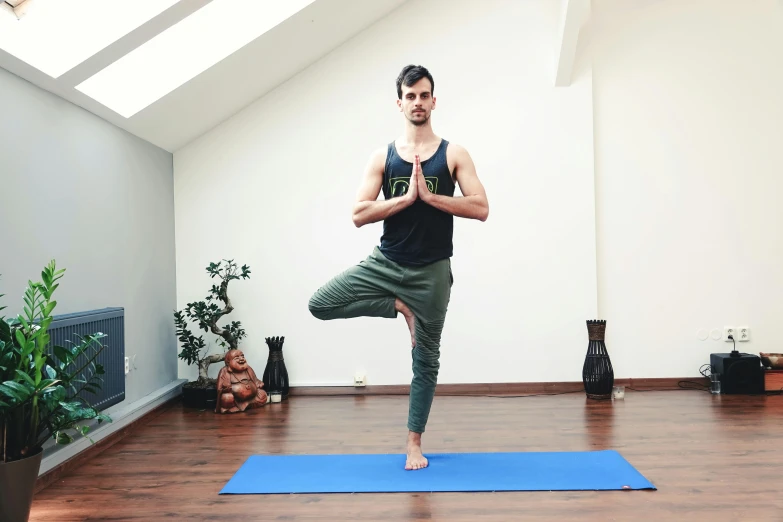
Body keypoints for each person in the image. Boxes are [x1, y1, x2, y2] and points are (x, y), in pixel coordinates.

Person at [308, 64, 489, 470]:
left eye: (424, 95)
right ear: (400, 103)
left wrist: (431, 197)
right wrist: (405, 200)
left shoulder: (453, 154)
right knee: (320, 303)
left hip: (432, 274)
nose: (418, 102)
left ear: (434, 100)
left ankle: (413, 443)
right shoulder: (384, 156)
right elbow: (358, 214)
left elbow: (481, 207)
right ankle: (398, 306)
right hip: (386, 263)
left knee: (426, 360)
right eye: (411, 96)